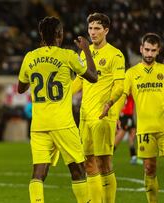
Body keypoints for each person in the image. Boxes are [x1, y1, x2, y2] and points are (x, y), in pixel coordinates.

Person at [17, 16, 98, 203]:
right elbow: (93, 77)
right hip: (63, 123)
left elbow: (20, 88)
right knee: (77, 169)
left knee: (38, 172)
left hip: (38, 124)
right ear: (59, 35)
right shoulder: (67, 55)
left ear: (41, 35)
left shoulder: (30, 57)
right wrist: (86, 49)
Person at [103, 33, 164, 203]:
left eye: (153, 50)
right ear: (141, 49)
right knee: (149, 169)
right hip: (145, 129)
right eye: (147, 49)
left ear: (158, 51)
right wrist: (114, 113)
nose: (149, 54)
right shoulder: (131, 73)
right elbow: (122, 95)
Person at [72, 13, 125, 203]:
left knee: (103, 163)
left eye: (97, 29)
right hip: (85, 115)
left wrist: (110, 103)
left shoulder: (115, 54)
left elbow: (120, 85)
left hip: (103, 115)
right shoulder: (84, 53)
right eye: (90, 28)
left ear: (106, 31)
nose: (92, 33)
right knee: (88, 163)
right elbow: (79, 80)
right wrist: (64, 95)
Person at [113, 94, 141, 165]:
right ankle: (108, 156)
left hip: (129, 115)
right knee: (120, 136)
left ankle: (134, 157)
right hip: (126, 115)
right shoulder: (128, 91)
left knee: (132, 135)